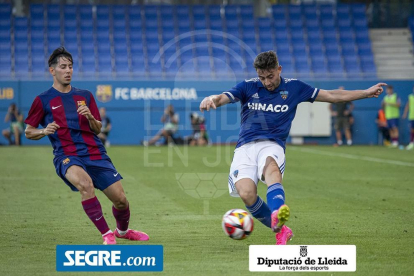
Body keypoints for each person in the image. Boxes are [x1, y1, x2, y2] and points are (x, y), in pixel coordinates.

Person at [199, 51, 385, 245]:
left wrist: (366, 93)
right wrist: (212, 99)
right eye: (262, 77)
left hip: (272, 144)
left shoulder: (294, 87)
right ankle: (280, 229)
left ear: (279, 69)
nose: (267, 82)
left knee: (271, 168)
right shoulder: (248, 86)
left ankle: (278, 211)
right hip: (245, 147)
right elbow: (223, 97)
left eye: (270, 76)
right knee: (246, 194)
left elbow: (331, 95)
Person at [24, 47, 149, 244]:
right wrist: (43, 131)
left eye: (71, 67)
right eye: (63, 67)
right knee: (85, 185)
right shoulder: (43, 100)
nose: (68, 71)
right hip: (67, 155)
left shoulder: (85, 96)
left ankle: (122, 232)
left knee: (121, 201)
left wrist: (90, 117)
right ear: (52, 70)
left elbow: (97, 129)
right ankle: (107, 234)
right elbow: (29, 131)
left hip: (95, 153)